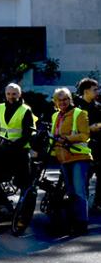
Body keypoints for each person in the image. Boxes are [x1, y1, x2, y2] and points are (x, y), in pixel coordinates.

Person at [0, 82, 34, 218]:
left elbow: (28, 134)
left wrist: (15, 145)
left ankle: (23, 213)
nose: (11, 96)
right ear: (5, 94)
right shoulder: (0, 107)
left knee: (23, 184)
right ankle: (5, 205)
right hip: (3, 152)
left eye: (14, 94)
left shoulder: (25, 110)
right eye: (8, 94)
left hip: (20, 153)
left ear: (20, 94)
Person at [50, 87, 93, 235]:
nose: (62, 102)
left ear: (70, 99)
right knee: (71, 192)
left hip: (79, 157)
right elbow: (54, 137)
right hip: (63, 158)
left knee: (79, 191)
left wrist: (68, 138)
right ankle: (73, 222)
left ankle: (82, 224)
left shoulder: (79, 114)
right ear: (55, 102)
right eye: (59, 100)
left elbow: (85, 135)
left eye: (65, 99)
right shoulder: (55, 116)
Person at [74, 77, 101, 212]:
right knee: (84, 177)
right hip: (81, 148)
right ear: (86, 91)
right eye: (94, 89)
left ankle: (97, 203)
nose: (97, 92)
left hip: (97, 146)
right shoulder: (76, 107)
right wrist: (90, 128)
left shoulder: (97, 106)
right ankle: (80, 205)